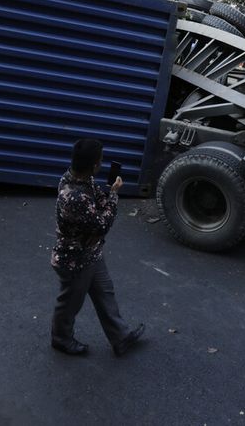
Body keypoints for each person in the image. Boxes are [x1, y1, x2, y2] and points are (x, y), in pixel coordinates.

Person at [51, 138, 144, 357]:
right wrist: (114, 195)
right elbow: (102, 224)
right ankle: (60, 338)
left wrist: (106, 196)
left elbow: (97, 203)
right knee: (70, 303)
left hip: (90, 253)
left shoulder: (82, 179)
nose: (102, 163)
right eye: (100, 160)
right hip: (74, 260)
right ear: (94, 165)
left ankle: (120, 337)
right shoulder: (73, 196)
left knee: (105, 293)